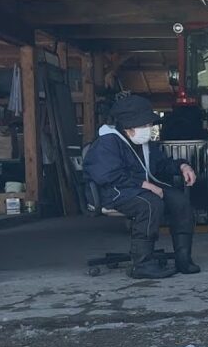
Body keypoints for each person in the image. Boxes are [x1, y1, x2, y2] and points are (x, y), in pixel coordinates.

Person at [83, 95, 200, 279]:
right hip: (114, 192)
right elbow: (106, 175)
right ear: (128, 126)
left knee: (180, 202)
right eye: (144, 125)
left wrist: (182, 166)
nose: (148, 129)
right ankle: (142, 264)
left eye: (148, 124)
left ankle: (183, 259)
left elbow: (161, 165)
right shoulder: (107, 143)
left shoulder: (144, 144)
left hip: (140, 189)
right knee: (149, 204)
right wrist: (145, 185)